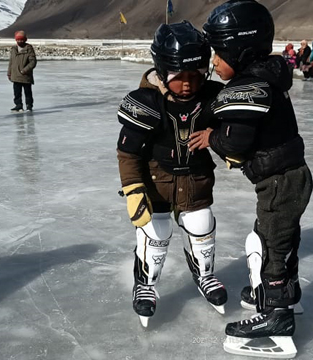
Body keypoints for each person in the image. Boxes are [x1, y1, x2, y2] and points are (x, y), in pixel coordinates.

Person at [191, 1, 313, 357]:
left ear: (239, 51)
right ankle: (285, 294)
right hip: (290, 176)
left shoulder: (250, 88)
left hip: (279, 179)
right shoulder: (268, 75)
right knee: (280, 235)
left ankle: (277, 315)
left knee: (272, 242)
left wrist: (210, 136)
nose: (213, 62)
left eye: (218, 54)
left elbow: (236, 145)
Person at [115, 21, 228, 328]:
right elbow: (128, 152)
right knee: (156, 231)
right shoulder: (146, 101)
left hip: (196, 178)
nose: (188, 84)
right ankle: (146, 284)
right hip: (157, 180)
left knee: (201, 224)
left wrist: (221, 140)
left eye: (196, 75)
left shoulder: (214, 97)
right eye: (180, 77)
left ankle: (204, 275)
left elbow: (236, 127)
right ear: (163, 70)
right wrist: (134, 188)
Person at [8, 31, 38, 113]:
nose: (20, 41)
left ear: (25, 40)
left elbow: (33, 62)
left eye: (21, 40)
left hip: (25, 75)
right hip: (15, 74)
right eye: (18, 40)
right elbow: (11, 62)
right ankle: (18, 105)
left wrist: (25, 70)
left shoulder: (29, 49)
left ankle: (29, 106)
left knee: (27, 92)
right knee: (17, 92)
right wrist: (9, 72)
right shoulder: (14, 49)